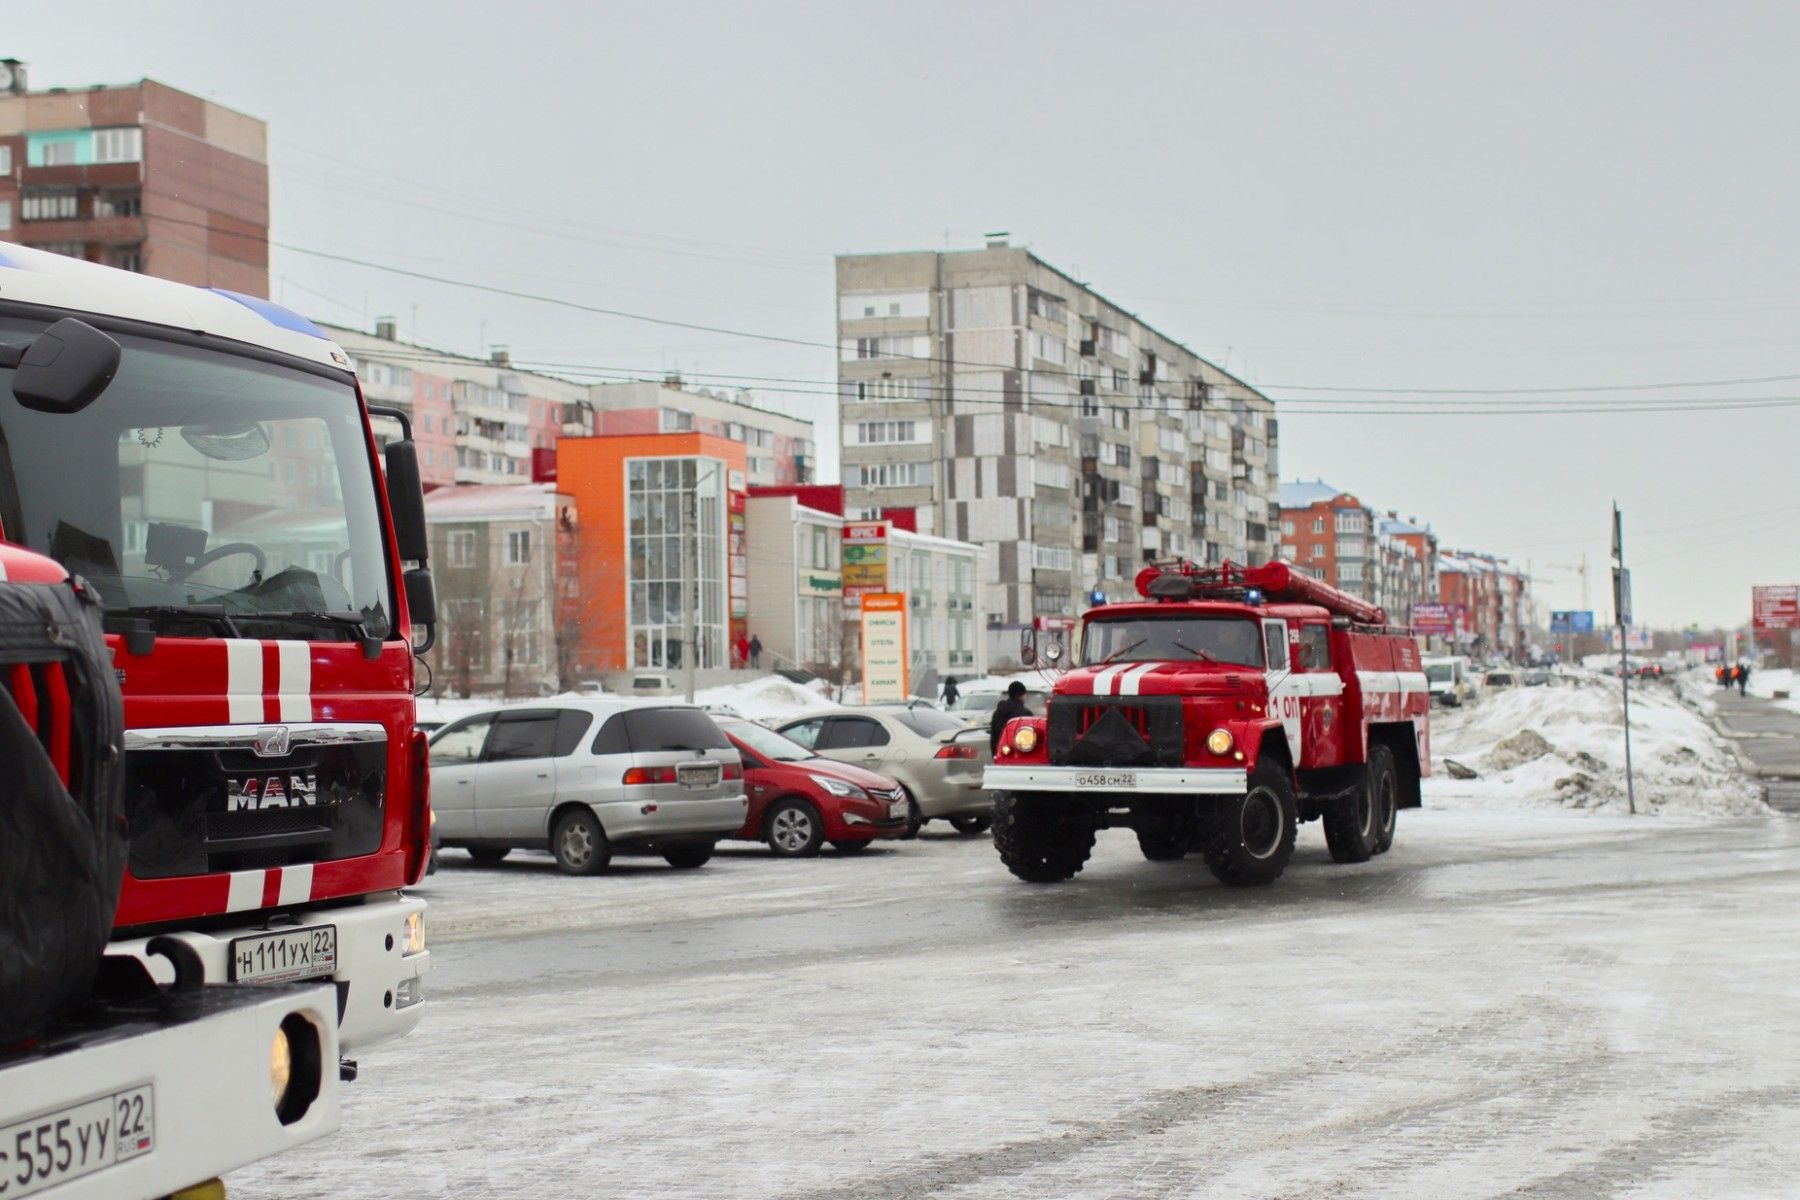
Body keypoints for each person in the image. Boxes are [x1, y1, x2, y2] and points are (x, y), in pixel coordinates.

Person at [989, 681, 1032, 754]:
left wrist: (996, 754)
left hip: (1001, 753)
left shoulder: (998, 711)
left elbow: (994, 736)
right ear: (1021, 695)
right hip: (1019, 755)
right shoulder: (1025, 714)